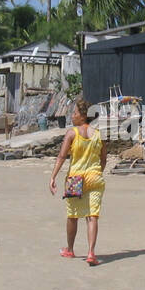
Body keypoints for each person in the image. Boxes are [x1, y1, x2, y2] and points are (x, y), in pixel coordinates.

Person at [49, 98, 107, 265]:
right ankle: (90, 253)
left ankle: (70, 249)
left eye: (74, 113)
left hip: (75, 178)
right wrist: (97, 173)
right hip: (95, 178)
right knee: (92, 215)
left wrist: (53, 176)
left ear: (83, 116)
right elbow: (103, 159)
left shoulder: (72, 133)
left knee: (73, 215)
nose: (72, 116)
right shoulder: (98, 135)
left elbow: (61, 156)